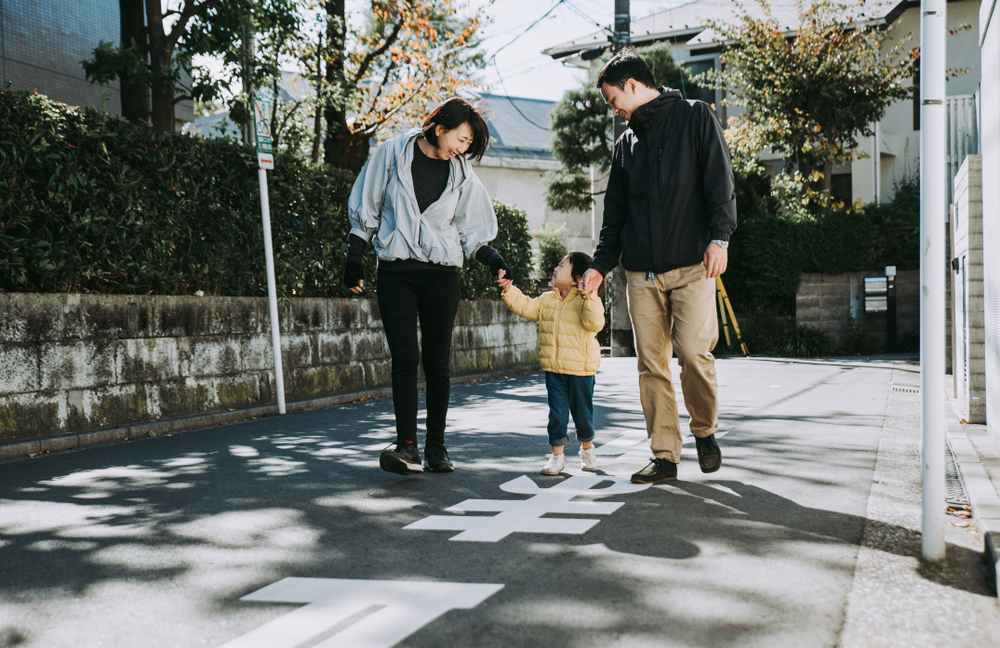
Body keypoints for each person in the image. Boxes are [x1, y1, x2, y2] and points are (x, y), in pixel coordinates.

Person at [577, 49, 737, 484]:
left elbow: (719, 182)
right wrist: (598, 267)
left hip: (691, 266)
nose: (614, 110)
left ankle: (704, 431)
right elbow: (615, 219)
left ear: (632, 86)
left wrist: (719, 237)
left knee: (692, 353)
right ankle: (665, 456)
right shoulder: (625, 145)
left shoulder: (694, 116)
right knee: (651, 365)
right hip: (640, 274)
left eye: (614, 100)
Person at [343, 97, 513, 476]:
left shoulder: (461, 174)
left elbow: (472, 228)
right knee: (404, 359)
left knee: (437, 362)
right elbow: (367, 205)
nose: (463, 148)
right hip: (396, 272)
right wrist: (354, 257)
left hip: (441, 275)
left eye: (469, 144)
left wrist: (493, 260)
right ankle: (406, 447)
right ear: (440, 128)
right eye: (462, 139)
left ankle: (436, 446)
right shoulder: (392, 153)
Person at [498, 252, 606, 475]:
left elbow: (594, 323)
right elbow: (526, 306)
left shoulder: (586, 300)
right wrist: (509, 290)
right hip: (554, 370)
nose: (555, 269)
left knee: (583, 415)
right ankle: (557, 457)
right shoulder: (547, 299)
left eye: (561, 265)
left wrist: (591, 295)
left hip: (581, 371)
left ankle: (587, 449)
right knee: (556, 415)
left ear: (577, 278)